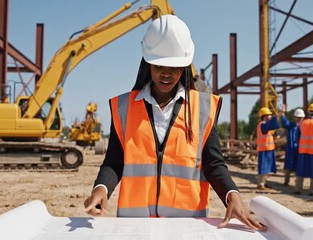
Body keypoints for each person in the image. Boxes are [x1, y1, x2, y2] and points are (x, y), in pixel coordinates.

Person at [83, 15, 265, 231]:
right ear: (148, 63)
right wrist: (101, 188)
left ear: (185, 66)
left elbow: (213, 163)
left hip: (187, 226)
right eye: (159, 66)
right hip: (135, 226)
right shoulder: (124, 108)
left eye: (175, 67)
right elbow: (114, 161)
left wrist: (231, 194)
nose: (167, 74)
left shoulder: (203, 109)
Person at [279, 105, 305, 186]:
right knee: (288, 166)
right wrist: (282, 113)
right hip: (291, 149)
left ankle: (297, 183)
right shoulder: (291, 125)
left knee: (299, 166)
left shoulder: (304, 126)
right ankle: (286, 181)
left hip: (299, 149)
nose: (299, 119)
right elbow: (285, 122)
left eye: (300, 118)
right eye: (298, 117)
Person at [256, 107, 280, 190]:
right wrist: (278, 115)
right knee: (263, 167)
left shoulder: (266, 126)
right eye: (269, 115)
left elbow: (274, 126)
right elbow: (271, 124)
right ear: (264, 116)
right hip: (263, 150)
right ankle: (261, 184)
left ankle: (264, 183)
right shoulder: (263, 125)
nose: (270, 117)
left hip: (268, 149)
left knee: (268, 168)